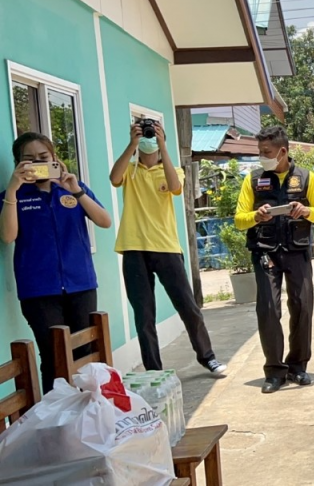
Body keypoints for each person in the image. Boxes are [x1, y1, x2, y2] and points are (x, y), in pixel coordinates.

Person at [110, 119, 225, 376]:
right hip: (133, 247)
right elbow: (114, 178)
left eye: (152, 133)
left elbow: (175, 188)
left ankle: (208, 357)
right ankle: (154, 370)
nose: (148, 137)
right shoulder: (130, 170)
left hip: (166, 247)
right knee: (144, 315)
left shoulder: (173, 170)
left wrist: (163, 145)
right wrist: (132, 144)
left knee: (188, 306)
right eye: (145, 133)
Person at [1, 133, 112, 392]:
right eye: (29, 159)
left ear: (54, 158)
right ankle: (58, 411)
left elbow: (105, 221)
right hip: (39, 291)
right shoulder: (13, 196)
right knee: (53, 356)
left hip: (81, 284)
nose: (37, 163)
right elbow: (7, 236)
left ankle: (88, 408)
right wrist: (12, 189)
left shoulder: (73, 188)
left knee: (84, 351)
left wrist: (76, 190)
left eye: (43, 157)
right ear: (18, 163)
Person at [234, 126, 314, 394]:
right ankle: (274, 371)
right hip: (265, 252)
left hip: (297, 251)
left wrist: (306, 211)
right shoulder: (253, 180)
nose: (262, 157)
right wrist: (256, 216)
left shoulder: (306, 178)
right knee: (269, 309)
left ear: (282, 151)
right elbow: (239, 219)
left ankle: (298, 366)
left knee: (303, 306)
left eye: (267, 152)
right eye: (260, 152)